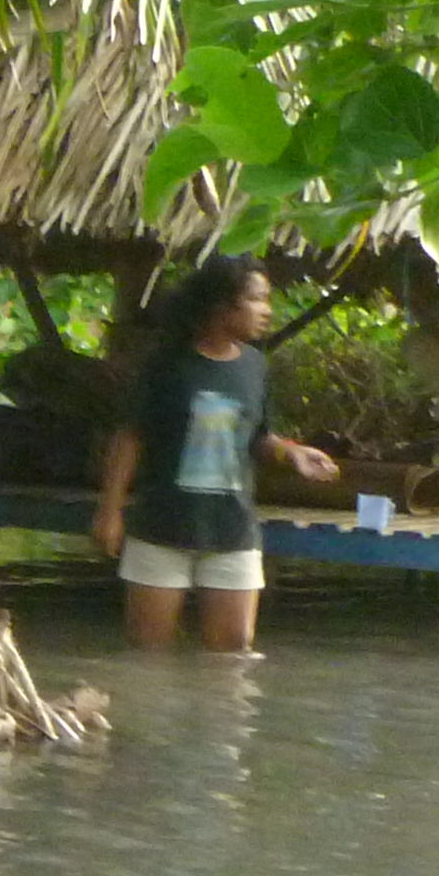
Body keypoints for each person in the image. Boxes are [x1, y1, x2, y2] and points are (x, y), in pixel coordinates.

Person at [93, 254, 340, 653]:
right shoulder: (165, 365)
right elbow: (130, 437)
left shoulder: (255, 367)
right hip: (162, 528)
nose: (267, 311)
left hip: (232, 529)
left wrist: (289, 453)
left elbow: (257, 436)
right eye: (257, 299)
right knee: (148, 656)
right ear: (221, 305)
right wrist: (110, 510)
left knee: (234, 655)